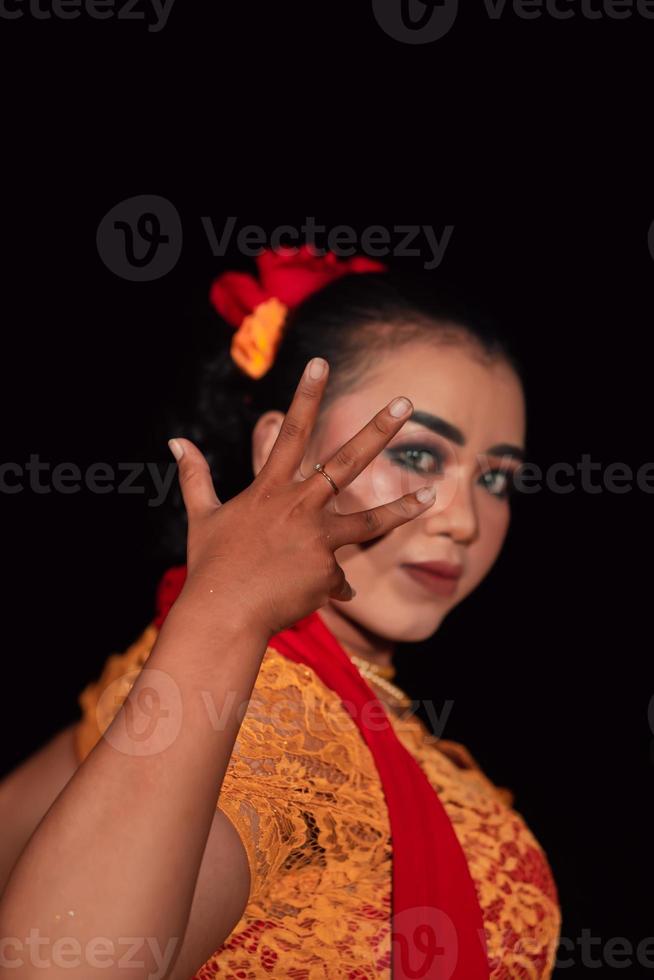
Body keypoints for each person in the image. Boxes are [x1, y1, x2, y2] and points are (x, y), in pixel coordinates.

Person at [0, 246, 561, 979]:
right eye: (421, 456)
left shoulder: (223, 681)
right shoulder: (255, 721)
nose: (463, 521)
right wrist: (224, 608)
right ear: (279, 448)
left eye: (494, 478)